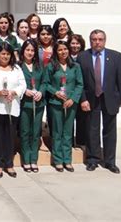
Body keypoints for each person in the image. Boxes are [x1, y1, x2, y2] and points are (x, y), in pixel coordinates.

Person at [77, 29, 121, 174]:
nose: (97, 42)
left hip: (110, 99)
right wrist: (83, 100)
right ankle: (93, 159)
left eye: (100, 39)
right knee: (92, 130)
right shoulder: (82, 57)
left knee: (110, 130)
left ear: (105, 40)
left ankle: (110, 161)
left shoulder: (116, 56)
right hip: (91, 99)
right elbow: (80, 81)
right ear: (90, 40)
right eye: (94, 39)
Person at [44, 41, 83, 172]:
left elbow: (79, 84)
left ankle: (67, 160)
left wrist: (73, 99)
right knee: (57, 132)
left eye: (65, 49)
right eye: (60, 50)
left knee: (67, 132)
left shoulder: (75, 66)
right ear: (56, 52)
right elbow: (46, 84)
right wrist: (55, 92)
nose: (63, 52)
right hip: (56, 103)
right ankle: (58, 160)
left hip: (70, 104)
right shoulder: (51, 66)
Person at [0, 43, 26, 178]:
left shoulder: (16, 69)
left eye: (8, 54)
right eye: (3, 53)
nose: (5, 56)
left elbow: (23, 85)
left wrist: (13, 92)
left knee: (10, 137)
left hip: (12, 107)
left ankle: (9, 164)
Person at [19, 39, 45, 173]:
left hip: (38, 104)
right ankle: (26, 159)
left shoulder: (39, 66)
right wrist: (24, 91)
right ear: (23, 51)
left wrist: (40, 91)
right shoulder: (18, 66)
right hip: (25, 104)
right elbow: (16, 83)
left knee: (35, 133)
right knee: (25, 132)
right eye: (27, 50)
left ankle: (34, 159)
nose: (30, 52)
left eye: (32, 50)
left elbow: (45, 82)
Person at [69, 34, 87, 146]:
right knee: (69, 121)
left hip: (82, 92)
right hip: (69, 92)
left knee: (81, 120)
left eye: (77, 43)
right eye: (72, 43)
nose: (75, 46)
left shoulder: (85, 56)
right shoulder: (65, 56)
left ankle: (81, 143)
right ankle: (69, 144)